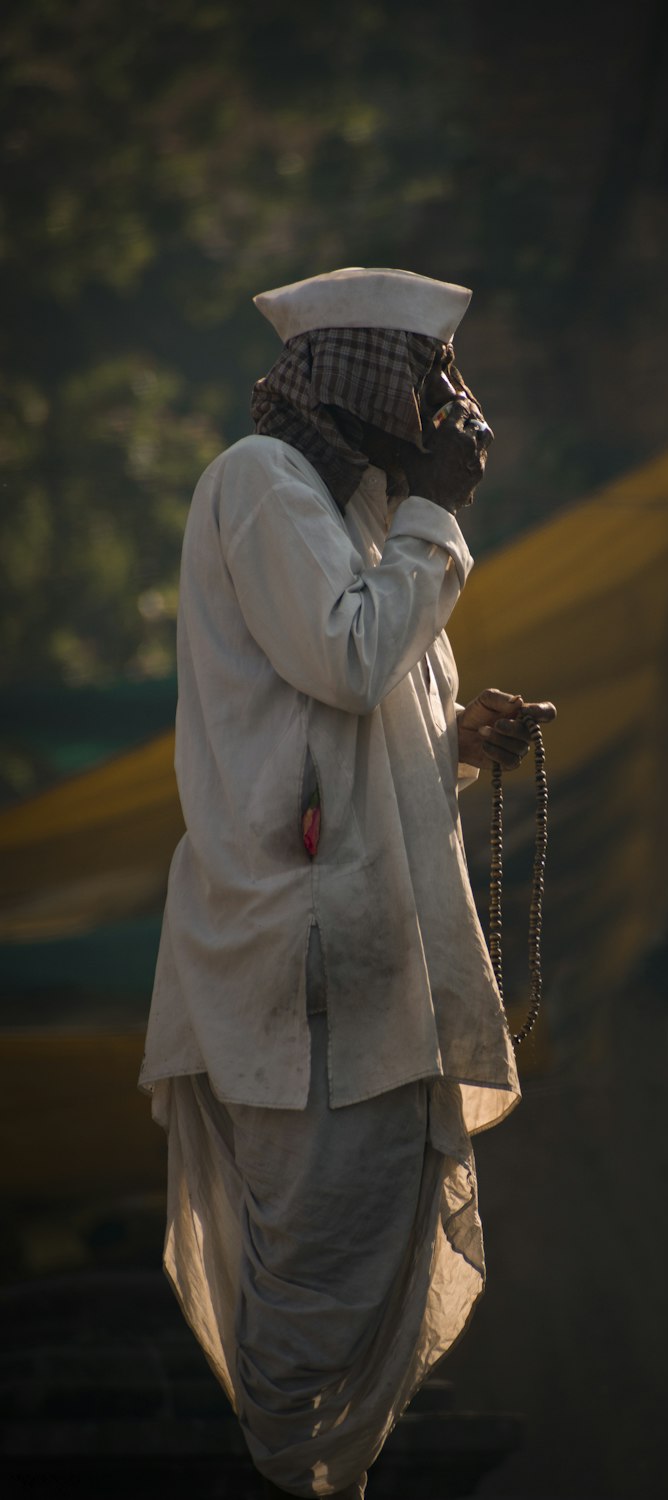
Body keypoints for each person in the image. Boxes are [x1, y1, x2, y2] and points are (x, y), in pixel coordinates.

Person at [138, 267, 555, 1499]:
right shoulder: (263, 487)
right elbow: (351, 655)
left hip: (366, 982)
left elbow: (344, 745)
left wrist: (459, 750)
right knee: (310, 1312)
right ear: (354, 381)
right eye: (426, 380)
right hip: (297, 984)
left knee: (354, 1293)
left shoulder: (370, 525)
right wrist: (438, 512)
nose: (449, 409)